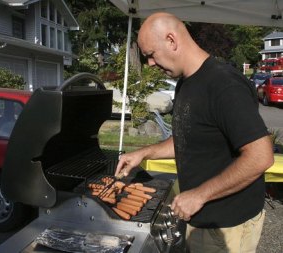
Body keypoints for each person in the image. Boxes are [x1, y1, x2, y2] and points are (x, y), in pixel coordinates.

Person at [115, 12, 274, 253]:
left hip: (226, 227)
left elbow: (261, 156)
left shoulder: (224, 85)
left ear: (171, 40)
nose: (149, 64)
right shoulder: (186, 82)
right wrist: (143, 153)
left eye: (150, 55)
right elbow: (188, 138)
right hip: (201, 219)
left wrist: (198, 195)